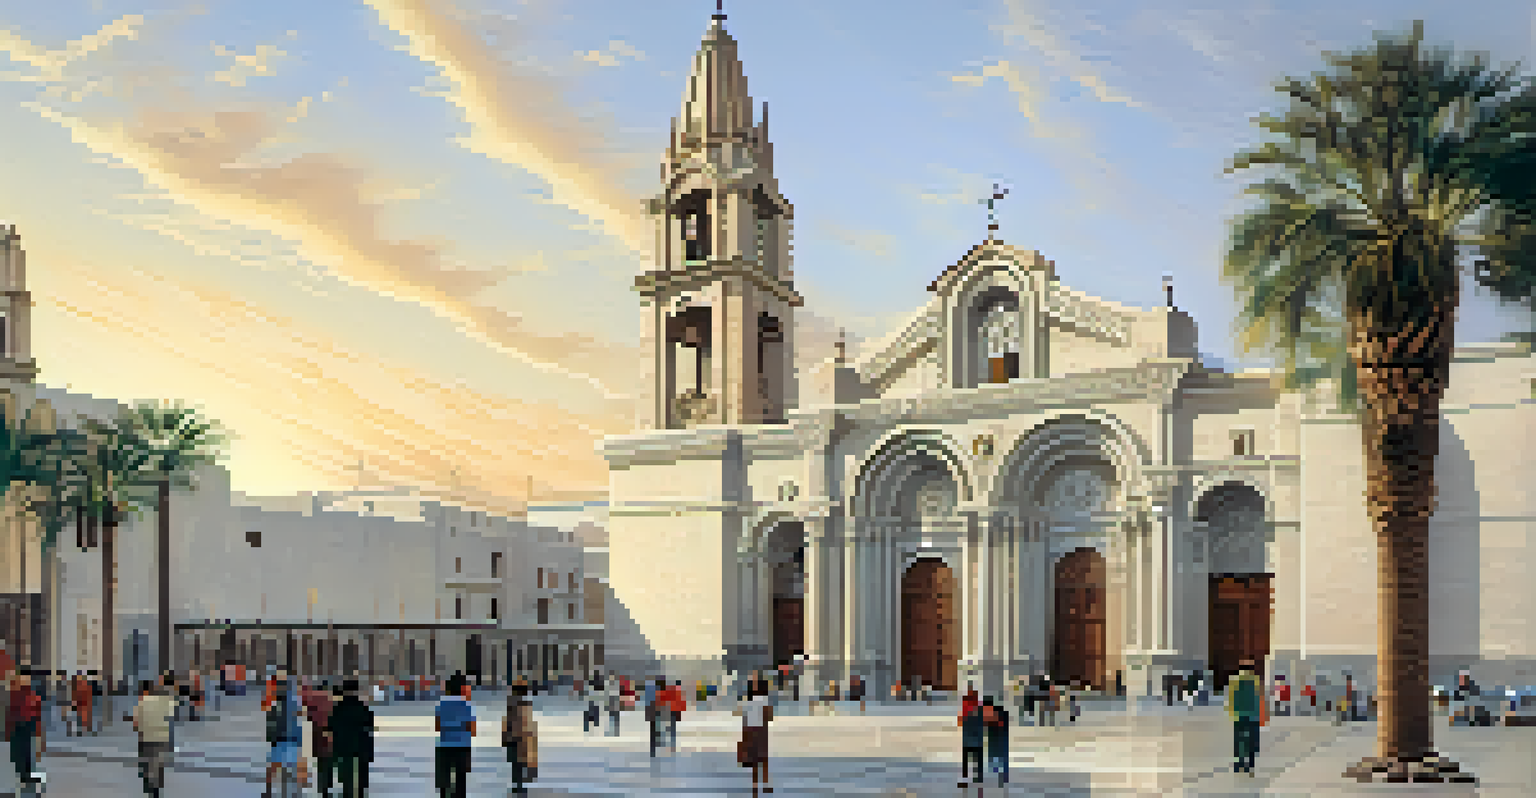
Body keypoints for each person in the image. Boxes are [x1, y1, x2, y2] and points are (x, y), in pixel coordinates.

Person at [327, 679, 375, 798]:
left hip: (343, 744)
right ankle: (360, 791)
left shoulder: (338, 707)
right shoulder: (362, 706)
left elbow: (331, 726)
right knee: (362, 771)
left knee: (346, 771)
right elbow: (369, 725)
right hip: (361, 743)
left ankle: (347, 791)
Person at [434, 673, 477, 798]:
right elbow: (472, 730)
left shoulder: (441, 705)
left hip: (444, 745)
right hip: (463, 746)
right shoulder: (467, 705)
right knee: (461, 780)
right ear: (462, 688)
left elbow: (437, 727)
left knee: (444, 782)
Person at [264, 671, 305, 798]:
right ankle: (296, 790)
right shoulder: (293, 700)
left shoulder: (277, 701)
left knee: (275, 765)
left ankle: (269, 789)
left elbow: (271, 719)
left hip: (282, 737)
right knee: (293, 766)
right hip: (291, 737)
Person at [133, 677, 176, 797]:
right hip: (162, 737)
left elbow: (136, 725)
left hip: (147, 738)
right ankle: (157, 787)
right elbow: (171, 714)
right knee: (159, 763)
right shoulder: (162, 701)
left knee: (147, 762)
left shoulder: (141, 703)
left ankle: (149, 786)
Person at [1225, 659, 1268, 776]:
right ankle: (1251, 764)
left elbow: (1231, 699)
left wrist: (1232, 713)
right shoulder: (1256, 681)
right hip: (1253, 716)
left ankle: (1239, 764)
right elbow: (1260, 699)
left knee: (1239, 740)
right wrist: (1263, 716)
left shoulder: (1234, 680)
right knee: (1252, 741)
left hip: (1238, 716)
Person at [734, 673, 773, 795]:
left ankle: (755, 785)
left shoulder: (747, 701)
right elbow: (769, 716)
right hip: (761, 731)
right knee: (763, 759)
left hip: (749, 731)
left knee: (754, 760)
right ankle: (765, 784)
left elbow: (744, 719)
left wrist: (744, 735)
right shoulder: (764, 700)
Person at [6, 672, 44, 791]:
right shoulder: (17, 693)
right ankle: (23, 774)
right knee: (21, 750)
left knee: (26, 749)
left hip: (27, 722)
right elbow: (12, 710)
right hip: (20, 723)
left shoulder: (28, 693)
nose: (25, 680)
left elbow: (35, 708)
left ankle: (26, 774)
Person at [302, 676, 338, 796]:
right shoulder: (333, 699)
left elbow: (309, 715)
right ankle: (328, 782)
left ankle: (322, 785)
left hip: (318, 732)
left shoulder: (314, 698)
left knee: (320, 760)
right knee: (329, 759)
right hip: (331, 732)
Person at [502, 681, 537, 795]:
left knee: (516, 772)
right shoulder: (524, 706)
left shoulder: (511, 706)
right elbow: (529, 729)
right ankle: (520, 791)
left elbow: (506, 726)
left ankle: (518, 791)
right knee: (520, 772)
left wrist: (505, 739)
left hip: (514, 742)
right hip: (521, 742)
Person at [958, 687, 984, 788]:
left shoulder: (970, 709)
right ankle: (977, 778)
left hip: (971, 739)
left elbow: (961, 722)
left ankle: (973, 778)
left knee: (969, 761)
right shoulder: (977, 709)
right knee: (974, 760)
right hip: (973, 739)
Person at [983, 694, 1010, 788]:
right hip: (994, 737)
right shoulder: (988, 713)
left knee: (1002, 755)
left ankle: (1003, 775)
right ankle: (996, 772)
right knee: (993, 754)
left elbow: (1002, 724)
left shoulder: (1000, 712)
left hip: (1001, 737)